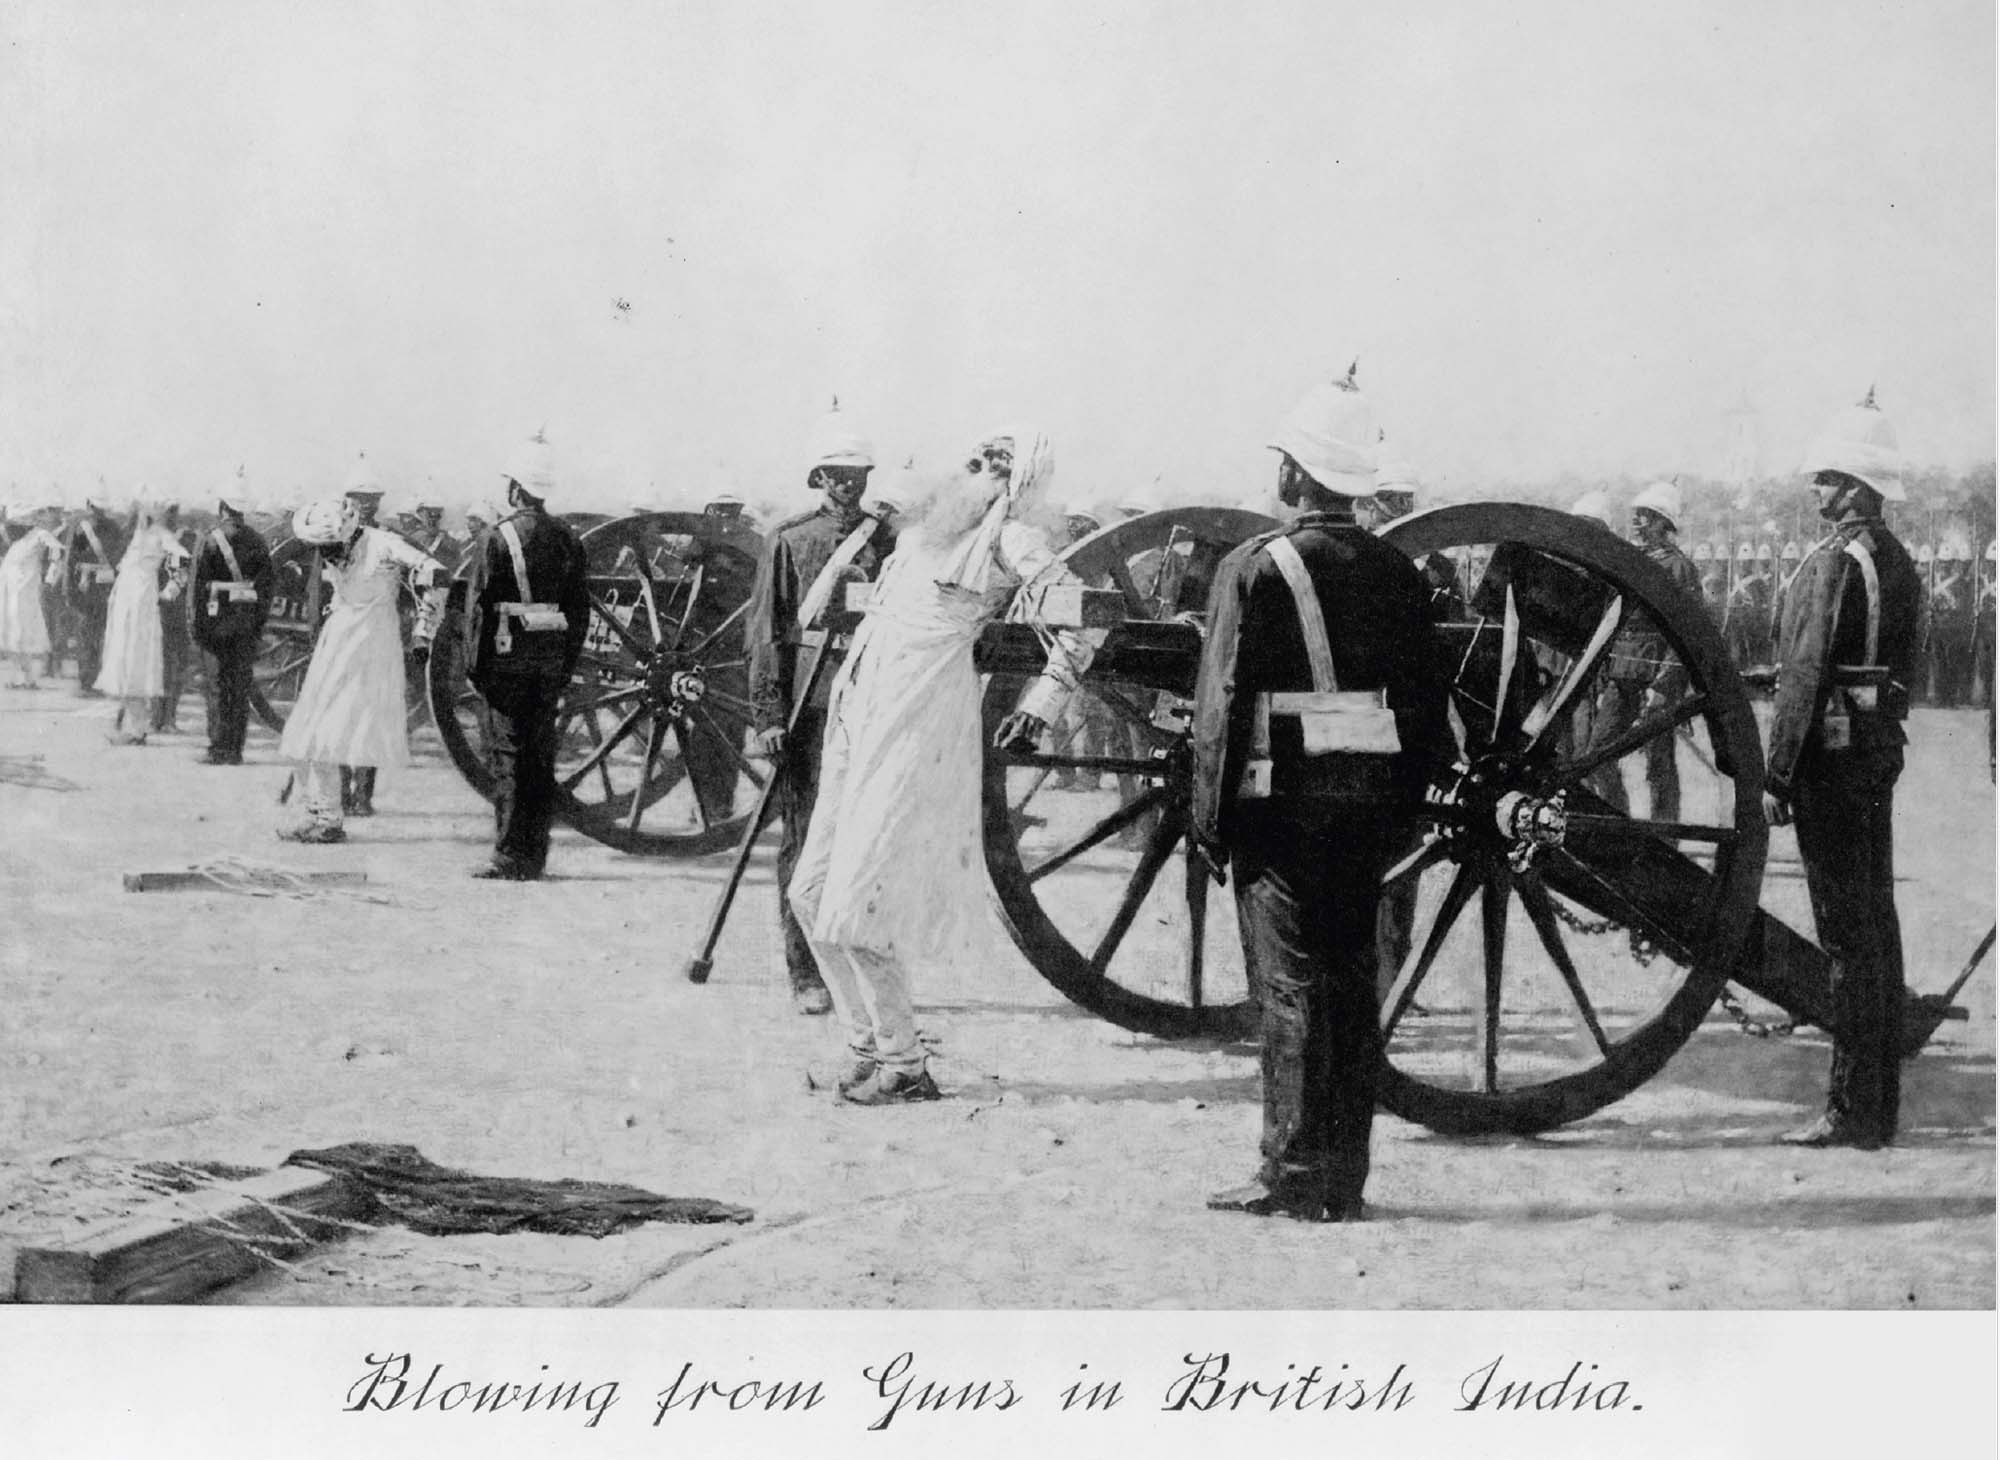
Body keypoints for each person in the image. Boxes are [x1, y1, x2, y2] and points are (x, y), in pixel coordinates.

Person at [1189, 371, 1454, 1222]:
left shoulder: (1254, 569)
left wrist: (1208, 820)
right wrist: (1401, 807)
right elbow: (1422, 708)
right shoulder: (1398, 571)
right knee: (1349, 980)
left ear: (1297, 478)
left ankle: (1296, 1173)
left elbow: (1222, 709)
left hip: (1280, 806)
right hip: (1369, 808)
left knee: (1291, 988)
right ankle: (1346, 1174)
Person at [788, 426, 1099, 1104]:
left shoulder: (1013, 538)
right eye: (976, 458)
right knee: (807, 893)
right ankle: (864, 1046)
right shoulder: (922, 534)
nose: (978, 470)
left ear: (1016, 483)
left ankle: (904, 1064)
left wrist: (1044, 702)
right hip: (860, 712)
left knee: (858, 901)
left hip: (919, 718)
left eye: (996, 465)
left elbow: (1085, 622)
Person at [1766, 387, 1921, 1150]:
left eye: (1827, 478)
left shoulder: (1836, 561)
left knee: (1845, 941)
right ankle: (1878, 1110)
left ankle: (1850, 1110)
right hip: (1873, 755)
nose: (1817, 489)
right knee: (1876, 929)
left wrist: (1776, 774)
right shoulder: (1896, 561)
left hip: (1829, 762)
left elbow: (1804, 671)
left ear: (1858, 488)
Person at [746, 404, 898, 1012]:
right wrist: (768, 716)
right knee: (805, 840)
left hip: (874, 701)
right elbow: (765, 634)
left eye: (857, 473)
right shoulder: (790, 540)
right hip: (809, 705)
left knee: (871, 842)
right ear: (818, 477)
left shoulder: (891, 541)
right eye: (836, 473)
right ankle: (806, 972)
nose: (848, 484)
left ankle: (862, 967)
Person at [277, 496, 445, 843]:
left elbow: (436, 574)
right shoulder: (333, 550)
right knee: (308, 728)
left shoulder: (384, 544)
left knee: (332, 729)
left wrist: (424, 630)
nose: (325, 555)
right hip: (338, 637)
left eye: (329, 547)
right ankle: (316, 811)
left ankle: (327, 817)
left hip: (371, 645)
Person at [463, 431, 591, 880]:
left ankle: (509, 855)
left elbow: (477, 607)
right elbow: (580, 611)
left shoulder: (498, 539)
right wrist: (565, 666)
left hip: (505, 659)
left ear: (515, 489)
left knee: (508, 758)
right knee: (539, 756)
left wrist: (473, 670)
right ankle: (534, 855)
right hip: (549, 661)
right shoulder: (568, 540)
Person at [1585, 480, 1702, 820]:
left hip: (1655, 681)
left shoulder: (1679, 568)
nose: (1636, 522)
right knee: (1595, 756)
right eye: (1635, 515)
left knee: (1658, 765)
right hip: (1621, 675)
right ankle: (1616, 824)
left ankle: (1665, 839)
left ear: (1664, 524)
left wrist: (1665, 688)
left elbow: (1687, 632)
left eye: (1646, 517)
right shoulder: (1632, 562)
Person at [93, 490, 187, 744]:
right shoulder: (136, 535)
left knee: (137, 661)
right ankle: (134, 727)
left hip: (142, 605)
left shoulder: (163, 536)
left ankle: (138, 729)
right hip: (125, 602)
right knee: (124, 660)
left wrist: (166, 595)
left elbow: (181, 569)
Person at [190, 495, 275, 765]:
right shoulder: (257, 541)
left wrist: (195, 626)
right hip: (245, 626)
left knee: (216, 687)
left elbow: (196, 588)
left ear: (222, 508)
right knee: (239, 687)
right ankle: (235, 750)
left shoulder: (210, 538)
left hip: (215, 625)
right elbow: (266, 590)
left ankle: (218, 748)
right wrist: (257, 626)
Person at [339, 457, 390, 815]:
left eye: (373, 499)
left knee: (372, 717)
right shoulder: (332, 537)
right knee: (342, 717)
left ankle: (363, 796)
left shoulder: (389, 540)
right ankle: (342, 791)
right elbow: (317, 595)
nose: (367, 506)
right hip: (341, 640)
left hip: (378, 640)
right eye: (361, 498)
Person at [61, 498, 128, 695]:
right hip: (85, 590)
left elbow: (119, 555)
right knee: (86, 638)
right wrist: (69, 590)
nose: (96, 511)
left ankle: (99, 679)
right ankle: (86, 681)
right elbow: (71, 560)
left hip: (106, 589)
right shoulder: (81, 528)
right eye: (94, 507)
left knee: (103, 638)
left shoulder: (114, 528)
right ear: (88, 506)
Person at [0, 506, 66, 688]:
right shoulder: (16, 542)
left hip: (26, 594)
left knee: (24, 634)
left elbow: (58, 553)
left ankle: (28, 678)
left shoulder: (39, 534)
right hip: (11, 593)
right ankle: (17, 678)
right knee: (14, 636)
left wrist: (51, 578)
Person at [151, 501, 196, 732]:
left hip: (173, 610)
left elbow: (182, 575)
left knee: (173, 666)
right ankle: (159, 717)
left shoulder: (184, 538)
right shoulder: (154, 537)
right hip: (158, 609)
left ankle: (167, 717)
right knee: (161, 665)